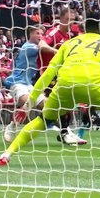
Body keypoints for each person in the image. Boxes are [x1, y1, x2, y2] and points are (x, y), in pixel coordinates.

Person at [0, 19, 100, 167]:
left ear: (83, 29)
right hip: (94, 85)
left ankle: (6, 154)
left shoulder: (69, 43)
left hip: (64, 87)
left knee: (42, 120)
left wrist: (28, 105)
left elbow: (48, 73)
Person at [37, 8, 86, 145]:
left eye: (72, 20)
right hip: (48, 74)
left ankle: (66, 132)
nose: (70, 22)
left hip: (63, 75)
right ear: (61, 19)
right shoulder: (54, 32)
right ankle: (65, 133)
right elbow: (41, 45)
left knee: (67, 103)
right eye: (67, 20)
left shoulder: (72, 34)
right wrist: (57, 51)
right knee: (61, 103)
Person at [2, 25, 48, 142]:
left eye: (42, 34)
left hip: (28, 84)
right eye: (37, 33)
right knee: (27, 101)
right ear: (31, 34)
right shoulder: (29, 47)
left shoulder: (34, 47)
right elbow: (45, 48)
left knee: (48, 107)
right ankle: (12, 126)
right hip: (17, 83)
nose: (40, 36)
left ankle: (64, 131)